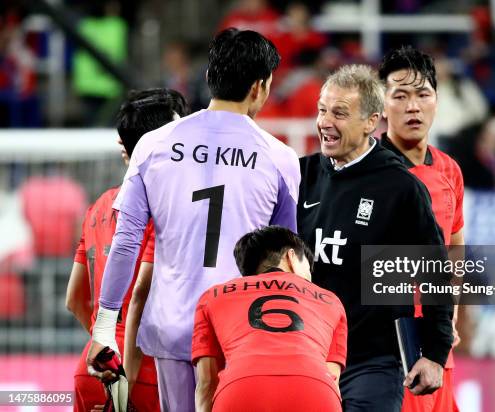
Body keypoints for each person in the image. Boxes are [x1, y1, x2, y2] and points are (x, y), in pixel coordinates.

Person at [87, 28, 300, 412]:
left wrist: (105, 326)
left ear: (208, 76)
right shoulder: (280, 158)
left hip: (173, 326)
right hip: (242, 331)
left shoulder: (153, 145)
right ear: (260, 86)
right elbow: (284, 264)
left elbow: (126, 240)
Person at [297, 64, 453, 411]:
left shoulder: (399, 187)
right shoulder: (300, 175)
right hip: (305, 353)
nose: (325, 122)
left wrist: (435, 354)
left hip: (371, 359)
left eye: (340, 113)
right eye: (322, 110)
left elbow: (434, 273)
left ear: (371, 122)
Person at [65, 87, 188, 412]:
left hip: (94, 365)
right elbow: (143, 295)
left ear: (125, 147)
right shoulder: (170, 209)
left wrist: (107, 339)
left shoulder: (98, 207)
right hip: (149, 371)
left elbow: (75, 299)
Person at [378, 45, 464, 412]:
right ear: (382, 105)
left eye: (422, 94)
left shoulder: (450, 171)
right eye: (400, 96)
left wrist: (450, 315)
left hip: (436, 345)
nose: (413, 106)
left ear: (436, 100)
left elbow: (455, 249)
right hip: (384, 349)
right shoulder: (367, 173)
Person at [192, 225, 347, 412]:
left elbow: (207, 383)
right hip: (316, 392)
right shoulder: (331, 301)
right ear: (291, 257)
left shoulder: (213, 295)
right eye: (308, 267)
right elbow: (332, 377)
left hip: (239, 391)